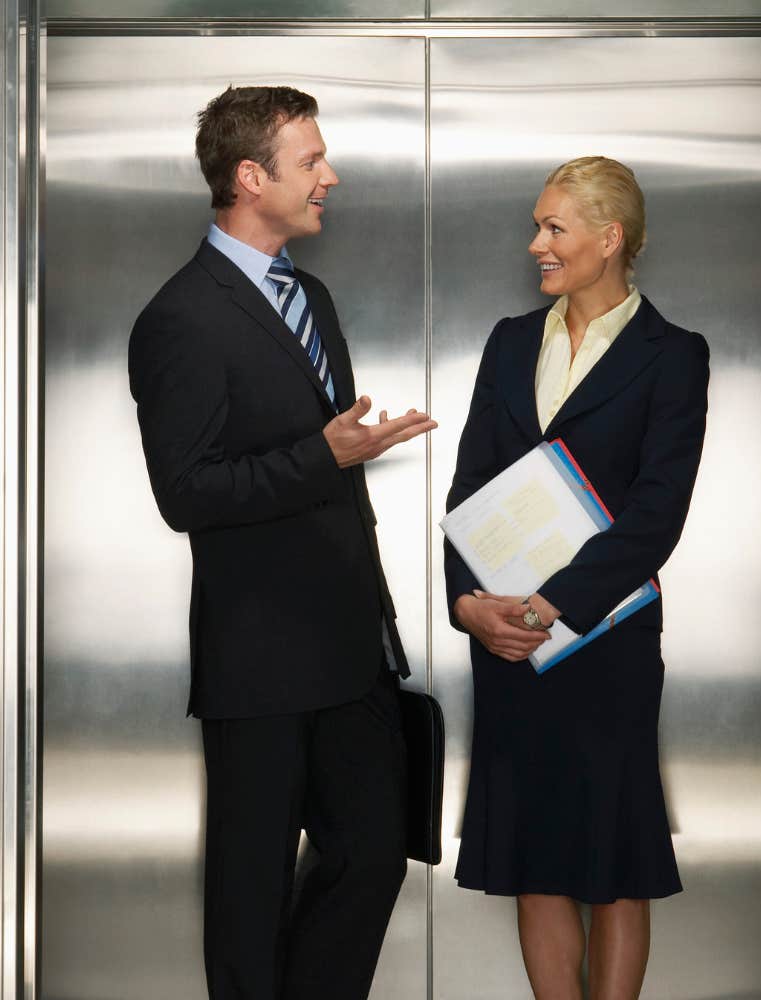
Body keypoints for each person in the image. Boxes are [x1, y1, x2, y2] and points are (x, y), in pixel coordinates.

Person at [128, 85, 436, 1000]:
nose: (328, 177)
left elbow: (325, 478)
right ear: (250, 176)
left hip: (350, 651)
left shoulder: (315, 297)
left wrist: (341, 464)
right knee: (251, 890)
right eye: (311, 162)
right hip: (258, 658)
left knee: (376, 854)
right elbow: (185, 493)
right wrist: (324, 454)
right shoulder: (181, 317)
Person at [444, 156, 709, 1000]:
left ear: (610, 237)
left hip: (605, 643)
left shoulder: (674, 356)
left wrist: (553, 604)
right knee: (536, 857)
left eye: (554, 228)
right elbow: (467, 494)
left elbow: (657, 515)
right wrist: (467, 605)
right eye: (538, 225)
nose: (536, 245)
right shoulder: (511, 341)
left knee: (615, 858)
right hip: (509, 642)